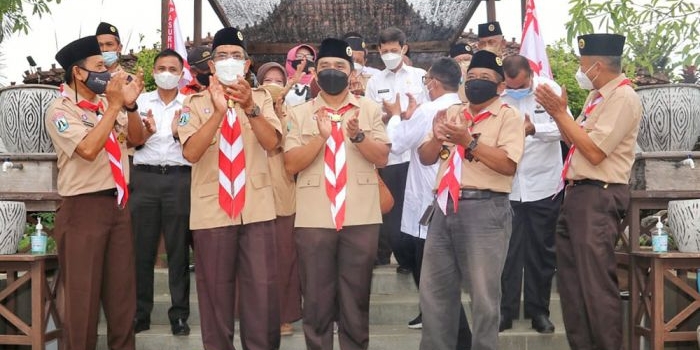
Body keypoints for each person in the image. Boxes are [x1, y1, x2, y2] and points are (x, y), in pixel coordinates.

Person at [534, 33, 642, 350]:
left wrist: (559, 113)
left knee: (595, 286)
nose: (581, 72)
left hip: (598, 195)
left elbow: (594, 153)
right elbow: (576, 144)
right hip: (578, 195)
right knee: (572, 287)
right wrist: (563, 117)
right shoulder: (598, 98)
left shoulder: (622, 97)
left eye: (583, 65)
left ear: (596, 66)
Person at [177, 27, 282, 350]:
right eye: (222, 57)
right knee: (215, 299)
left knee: (261, 295)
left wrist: (250, 107)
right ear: (211, 66)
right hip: (212, 212)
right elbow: (191, 153)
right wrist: (218, 113)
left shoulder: (263, 98)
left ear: (247, 66)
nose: (229, 62)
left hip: (257, 209)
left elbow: (273, 143)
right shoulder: (193, 103)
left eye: (236, 57)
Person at [284, 37, 390, 350]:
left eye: (340, 66)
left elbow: (382, 157)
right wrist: (321, 139)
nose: (333, 71)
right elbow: (290, 164)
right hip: (315, 217)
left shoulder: (369, 110)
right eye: (326, 66)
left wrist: (357, 135)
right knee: (315, 299)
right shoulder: (299, 113)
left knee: (356, 298)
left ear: (351, 73)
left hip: (360, 215)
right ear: (315, 74)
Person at [417, 50, 525, 350]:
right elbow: (426, 158)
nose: (477, 82)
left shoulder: (508, 116)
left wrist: (469, 142)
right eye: (473, 77)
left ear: (501, 86)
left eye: (486, 79)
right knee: (434, 294)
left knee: (484, 298)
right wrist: (438, 138)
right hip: (443, 206)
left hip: (485, 210)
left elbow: (508, 165)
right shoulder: (454, 113)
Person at [47, 35, 147, 350]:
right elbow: (89, 149)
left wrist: (129, 106)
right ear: (78, 73)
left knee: (122, 302)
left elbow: (137, 139)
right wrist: (116, 104)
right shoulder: (60, 110)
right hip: (82, 211)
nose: (106, 73)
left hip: (117, 208)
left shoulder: (107, 104)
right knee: (82, 304)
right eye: (98, 67)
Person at [386, 57, 472, 348]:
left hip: (428, 204)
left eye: (427, 81)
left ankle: (458, 339)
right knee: (440, 281)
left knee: (436, 283)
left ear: (433, 82)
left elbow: (395, 143)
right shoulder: (461, 109)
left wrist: (398, 115)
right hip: (451, 201)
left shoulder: (429, 110)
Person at [499, 54, 564, 334]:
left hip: (544, 186)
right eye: (510, 86)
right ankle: (505, 311)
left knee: (541, 252)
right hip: (508, 187)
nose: (515, 90)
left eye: (520, 85)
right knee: (506, 254)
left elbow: (565, 128)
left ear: (530, 74)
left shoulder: (550, 90)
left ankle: (539, 312)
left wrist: (534, 128)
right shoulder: (499, 97)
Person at [131, 48, 192, 336]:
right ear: (154, 72)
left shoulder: (192, 103)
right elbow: (130, 141)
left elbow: (197, 145)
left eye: (172, 69)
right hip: (145, 179)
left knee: (179, 251)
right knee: (141, 249)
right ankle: (139, 313)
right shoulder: (138, 102)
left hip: (180, 179)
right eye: (161, 68)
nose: (166, 73)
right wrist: (146, 132)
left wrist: (181, 133)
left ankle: (179, 315)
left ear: (181, 74)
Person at [365, 26, 428, 270]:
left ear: (404, 49)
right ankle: (404, 259)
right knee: (392, 214)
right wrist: (390, 116)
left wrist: (409, 116)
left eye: (394, 50)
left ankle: (419, 260)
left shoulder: (420, 75)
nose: (389, 54)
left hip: (416, 156)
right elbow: (370, 118)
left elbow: (430, 112)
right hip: (389, 157)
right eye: (385, 51)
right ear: (378, 52)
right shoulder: (375, 81)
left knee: (417, 207)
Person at [256, 61, 303, 337]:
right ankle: (258, 314)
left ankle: (285, 315)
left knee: (285, 260)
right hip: (252, 197)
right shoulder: (247, 109)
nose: (273, 84)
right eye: (267, 80)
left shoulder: (292, 115)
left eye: (278, 80)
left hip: (283, 196)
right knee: (256, 262)